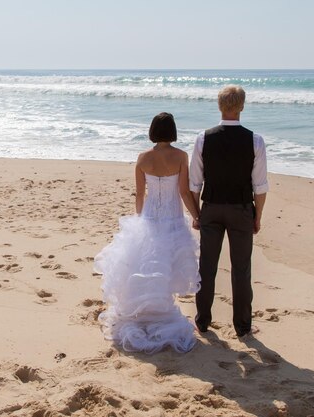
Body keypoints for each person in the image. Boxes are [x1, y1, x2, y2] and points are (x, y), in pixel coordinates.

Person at [94, 112, 201, 354]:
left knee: (146, 265)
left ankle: (144, 310)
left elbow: (140, 194)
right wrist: (196, 215)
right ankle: (160, 311)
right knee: (167, 265)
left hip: (150, 217)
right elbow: (184, 192)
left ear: (153, 131)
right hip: (173, 217)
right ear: (172, 131)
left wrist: (139, 220)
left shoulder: (143, 158)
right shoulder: (181, 156)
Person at [189, 85, 269, 338]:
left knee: (207, 266)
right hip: (241, 209)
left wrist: (196, 213)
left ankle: (202, 322)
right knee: (241, 268)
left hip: (211, 207)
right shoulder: (254, 140)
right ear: (242, 107)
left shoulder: (203, 138)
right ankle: (243, 327)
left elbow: (194, 183)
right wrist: (258, 216)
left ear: (219, 106)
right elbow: (260, 186)